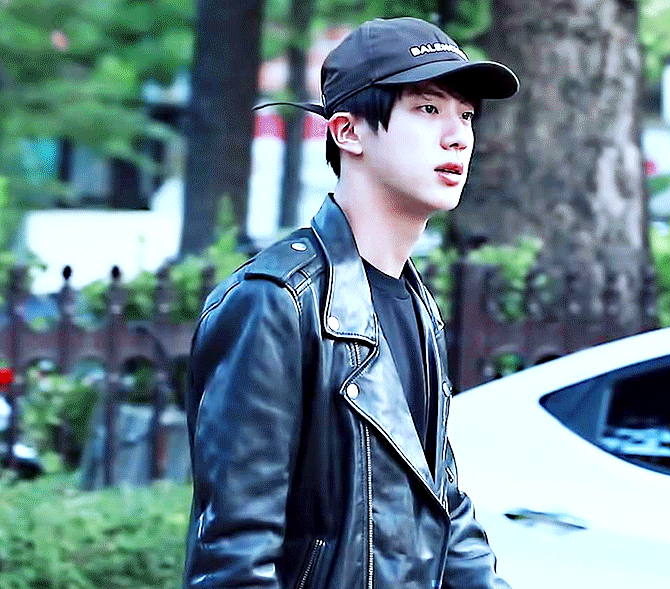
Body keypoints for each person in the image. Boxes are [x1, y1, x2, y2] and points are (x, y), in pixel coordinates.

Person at [183, 16, 518, 589]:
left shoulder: (416, 303)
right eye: (428, 109)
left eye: (466, 115)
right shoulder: (276, 303)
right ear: (348, 132)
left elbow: (444, 511)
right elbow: (235, 557)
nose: (458, 136)